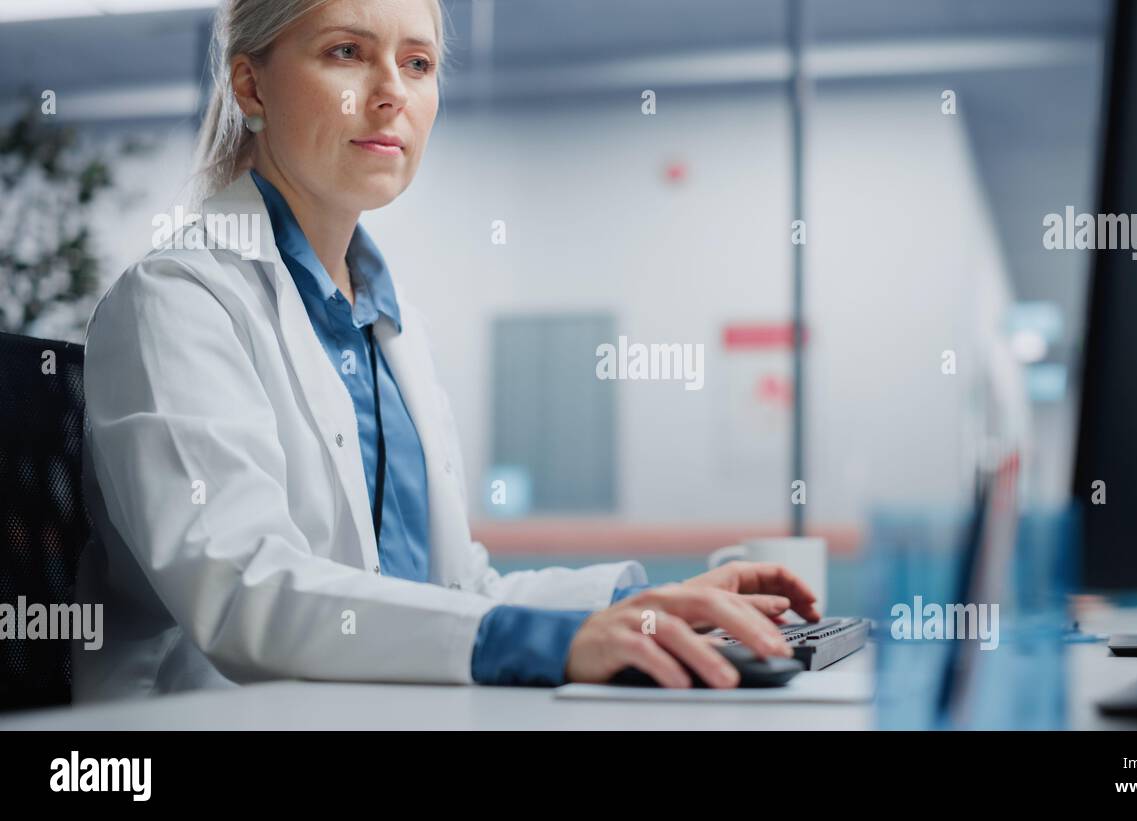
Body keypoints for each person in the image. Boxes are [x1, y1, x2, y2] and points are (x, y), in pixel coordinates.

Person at [73, 0, 819, 702]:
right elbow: (246, 591)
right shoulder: (176, 302)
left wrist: (645, 609)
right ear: (251, 84)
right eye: (347, 52)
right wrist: (545, 640)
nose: (392, 91)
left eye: (419, 63)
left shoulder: (390, 329)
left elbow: (449, 596)